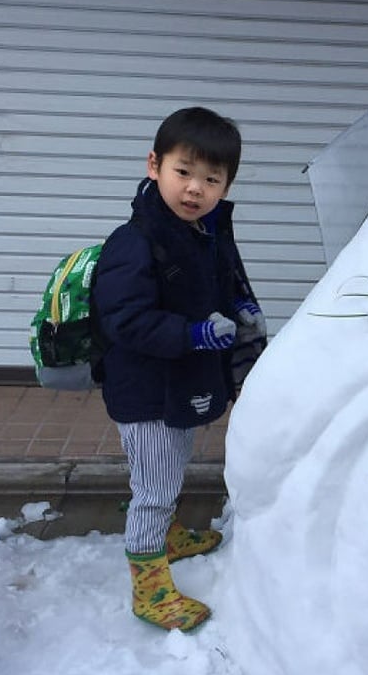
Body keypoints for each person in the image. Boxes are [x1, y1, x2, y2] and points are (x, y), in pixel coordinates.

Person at [93, 106, 267, 632]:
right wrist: (190, 335)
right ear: (154, 165)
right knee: (154, 486)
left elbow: (209, 289)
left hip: (181, 385)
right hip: (146, 391)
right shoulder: (135, 241)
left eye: (211, 179)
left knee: (171, 465)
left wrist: (240, 308)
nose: (195, 188)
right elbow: (124, 319)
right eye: (183, 171)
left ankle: (167, 536)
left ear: (226, 184)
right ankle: (148, 583)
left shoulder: (202, 233)